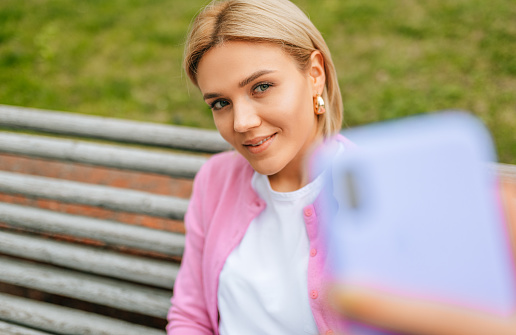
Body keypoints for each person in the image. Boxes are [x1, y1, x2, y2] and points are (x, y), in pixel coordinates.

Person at [166, 0, 516, 334]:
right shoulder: (215, 179)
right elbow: (190, 316)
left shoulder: (383, 195)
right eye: (220, 103)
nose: (241, 122)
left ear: (314, 74)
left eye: (261, 87)